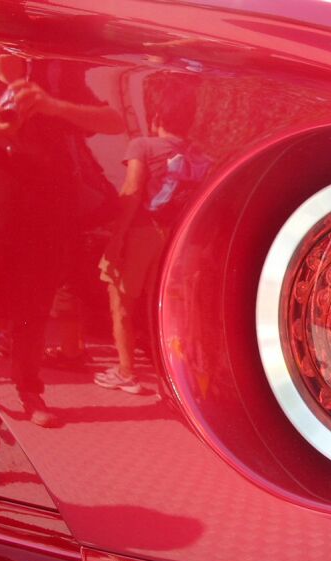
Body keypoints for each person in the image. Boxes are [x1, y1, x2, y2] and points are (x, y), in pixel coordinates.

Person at [95, 85, 206, 393]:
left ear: (156, 115)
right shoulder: (199, 157)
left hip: (142, 231)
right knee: (170, 307)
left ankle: (126, 371)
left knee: (121, 301)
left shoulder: (142, 146)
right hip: (179, 240)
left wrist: (117, 238)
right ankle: (180, 377)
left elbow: (131, 192)